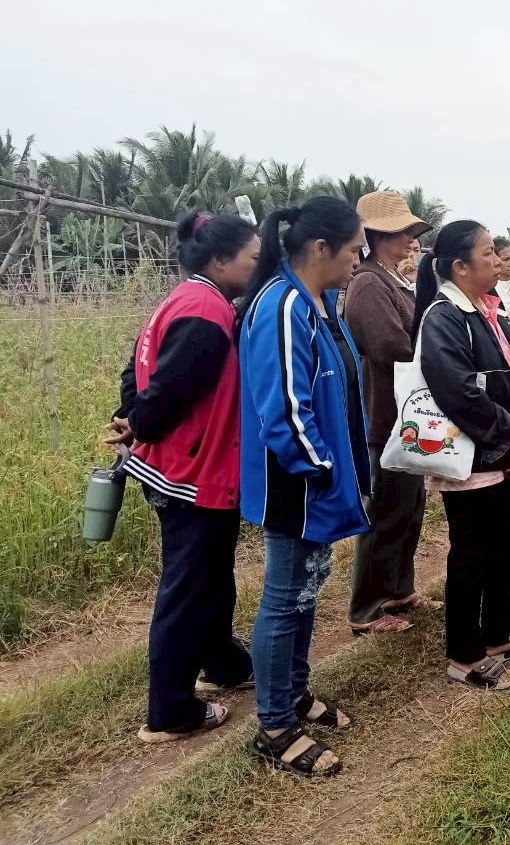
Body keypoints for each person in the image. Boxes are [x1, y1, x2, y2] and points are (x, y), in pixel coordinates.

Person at [107, 212, 259, 744]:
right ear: (220, 260)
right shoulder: (206, 310)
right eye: (252, 258)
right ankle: (169, 712)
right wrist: (142, 420)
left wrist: (133, 417)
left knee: (210, 575)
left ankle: (222, 663)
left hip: (180, 463)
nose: (256, 265)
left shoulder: (186, 297)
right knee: (188, 585)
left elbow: (136, 366)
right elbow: (172, 387)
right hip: (191, 470)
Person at [239, 196, 370, 777]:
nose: (358, 259)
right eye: (354, 250)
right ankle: (272, 725)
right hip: (294, 480)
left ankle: (294, 693)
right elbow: (285, 411)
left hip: (321, 476)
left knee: (307, 590)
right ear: (321, 248)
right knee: (285, 594)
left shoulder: (323, 301)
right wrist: (320, 471)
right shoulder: (282, 305)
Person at [415, 221, 510, 690]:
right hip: (474, 458)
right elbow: (459, 392)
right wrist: (509, 436)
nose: (498, 261)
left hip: (503, 451)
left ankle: (497, 635)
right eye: (489, 254)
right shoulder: (444, 316)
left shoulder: (487, 310)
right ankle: (464, 654)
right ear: (460, 266)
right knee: (473, 551)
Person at [342, 190, 433, 636]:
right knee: (386, 511)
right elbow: (389, 348)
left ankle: (399, 588)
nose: (411, 240)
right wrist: (432, 354)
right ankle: (367, 607)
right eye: (403, 232)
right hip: (386, 416)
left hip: (405, 415)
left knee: (408, 505)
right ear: (379, 236)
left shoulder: (390, 280)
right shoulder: (368, 284)